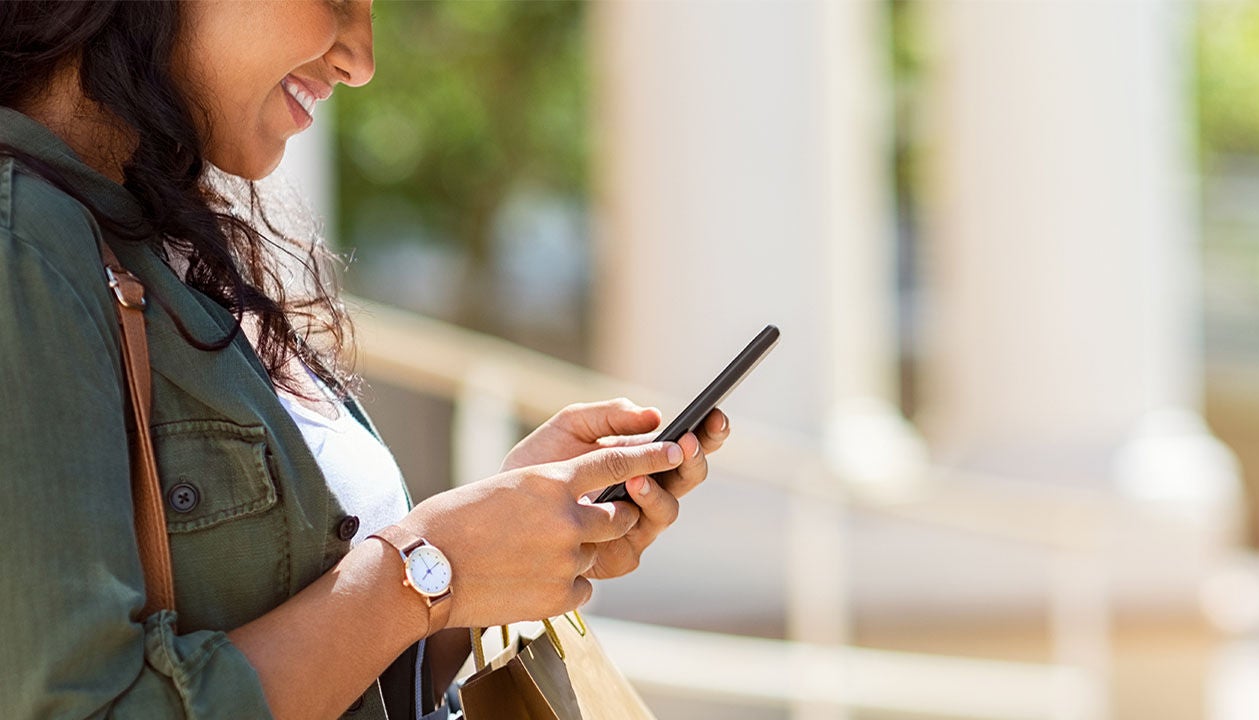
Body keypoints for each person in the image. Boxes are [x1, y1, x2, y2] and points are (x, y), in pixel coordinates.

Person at [0, 2, 730, 719]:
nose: (361, 59)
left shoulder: (146, 230)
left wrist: (496, 550)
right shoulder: (23, 243)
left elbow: (346, 678)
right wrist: (428, 568)